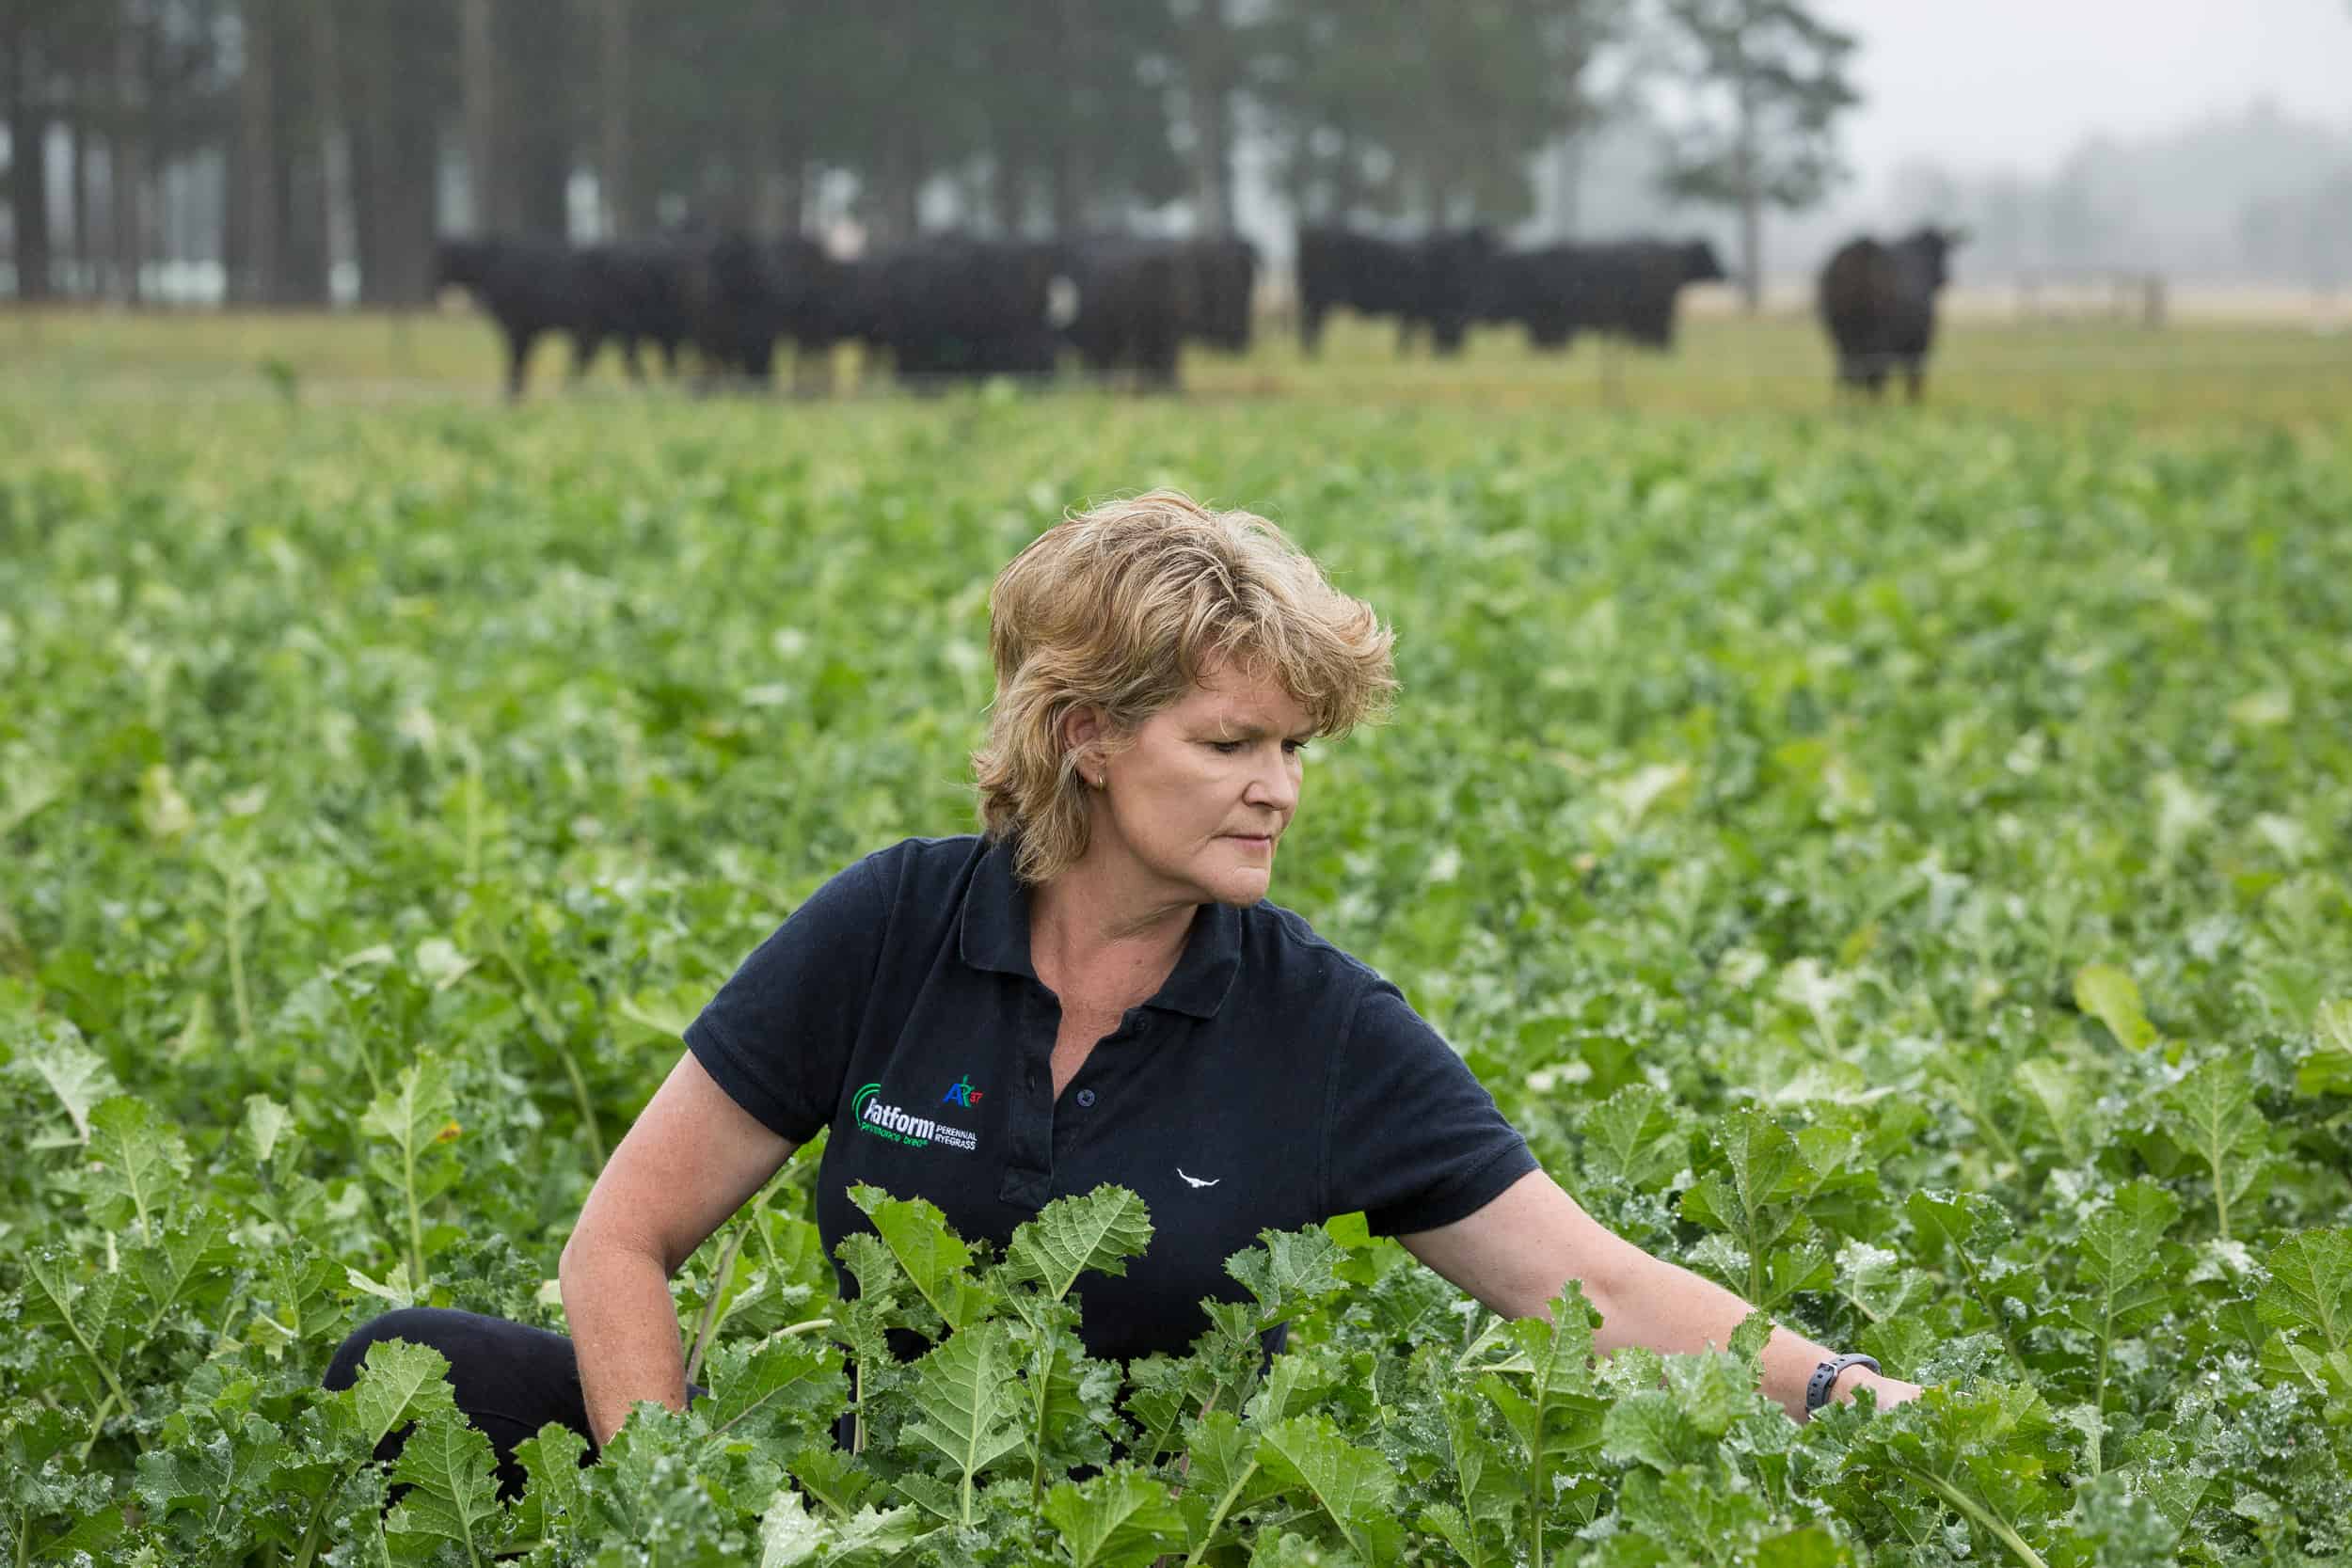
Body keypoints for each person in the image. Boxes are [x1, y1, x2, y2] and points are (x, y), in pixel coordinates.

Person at [327, 490, 1921, 1494]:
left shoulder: (1324, 1027)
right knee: (412, 1364)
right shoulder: (894, 923)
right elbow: (623, 1235)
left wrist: (1861, 1398)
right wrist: (670, 1504)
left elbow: (1608, 1296)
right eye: (1230, 744)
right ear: (1086, 737)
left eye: (1296, 747)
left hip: (1140, 1540)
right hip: (886, 1514)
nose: (1279, 789)